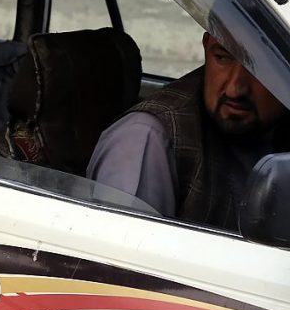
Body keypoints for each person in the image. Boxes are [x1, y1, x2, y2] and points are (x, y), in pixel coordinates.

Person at [88, 31, 289, 230]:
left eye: (260, 66)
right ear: (206, 44)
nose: (234, 89)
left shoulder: (275, 126)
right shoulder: (145, 139)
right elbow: (125, 254)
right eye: (222, 57)